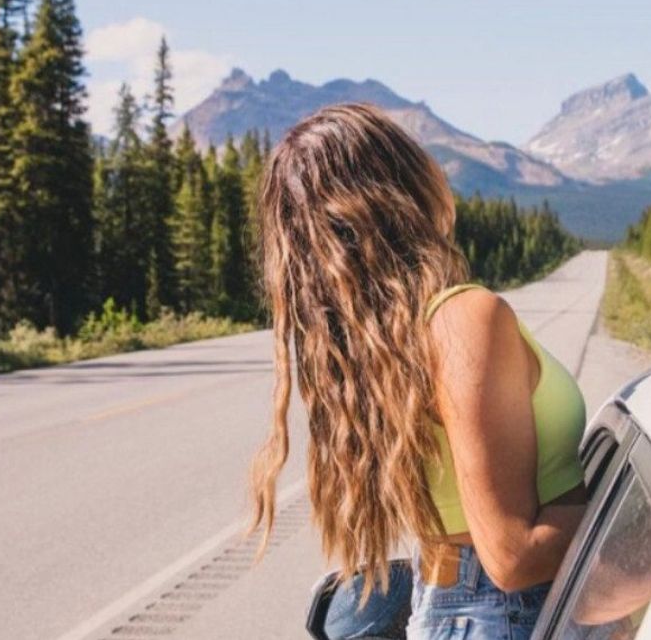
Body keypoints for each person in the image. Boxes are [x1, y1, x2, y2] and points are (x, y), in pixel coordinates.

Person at [245, 103, 589, 639]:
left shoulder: (387, 343)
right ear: (399, 186)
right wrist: (635, 518)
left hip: (464, 609)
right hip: (505, 615)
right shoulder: (462, 318)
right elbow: (512, 556)